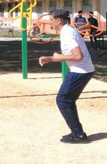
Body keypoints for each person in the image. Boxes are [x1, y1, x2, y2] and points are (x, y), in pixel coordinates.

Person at [38, 9, 95, 144]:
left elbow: (77, 56)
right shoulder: (67, 30)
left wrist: (53, 58)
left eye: (51, 20)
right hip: (81, 70)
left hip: (80, 71)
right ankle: (77, 132)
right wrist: (52, 58)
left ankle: (78, 134)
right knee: (67, 100)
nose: (50, 22)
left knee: (63, 100)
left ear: (58, 20)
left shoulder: (67, 33)